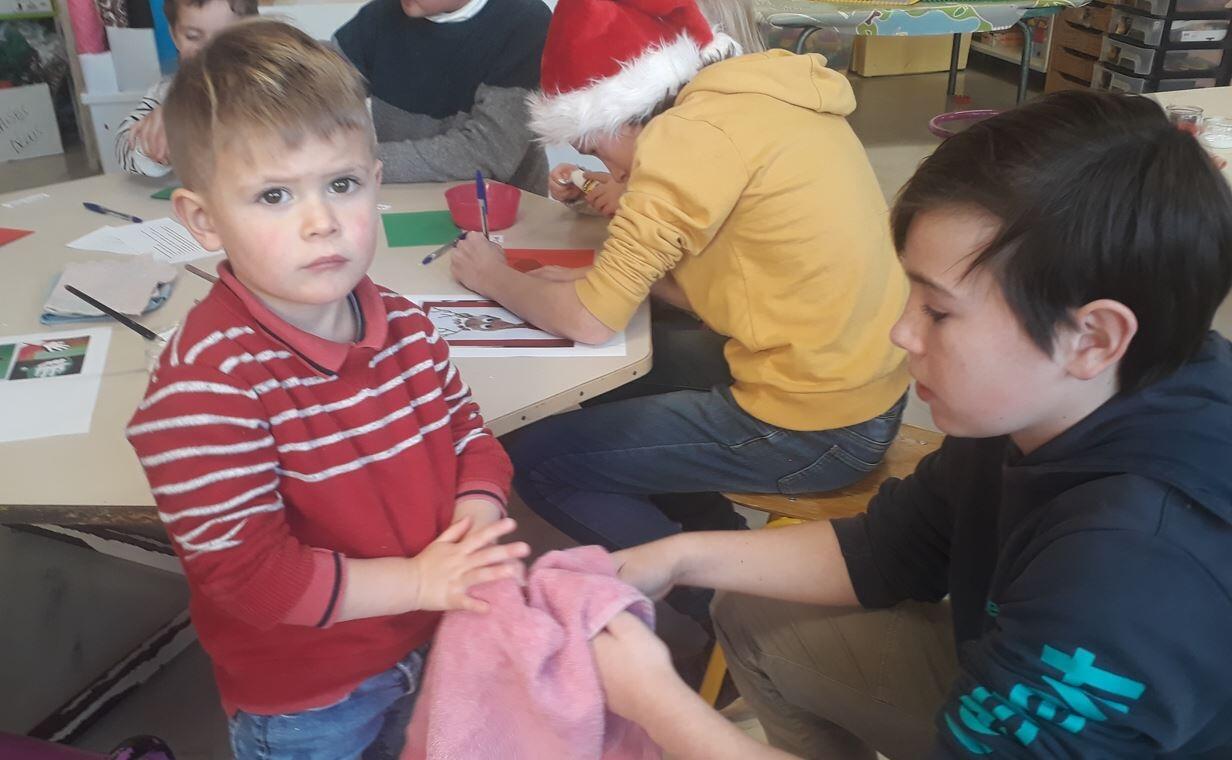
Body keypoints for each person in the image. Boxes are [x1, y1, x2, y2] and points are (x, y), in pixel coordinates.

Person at [593, 91, 1232, 759]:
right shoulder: (1043, 402)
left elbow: (1094, 602)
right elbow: (891, 547)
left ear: (1093, 337)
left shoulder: (1132, 571)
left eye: (940, 310)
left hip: (1091, 683)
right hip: (1021, 651)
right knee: (749, 610)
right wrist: (676, 558)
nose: (902, 332)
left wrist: (653, 704)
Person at [125, 20, 528, 759]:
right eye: (274, 195)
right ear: (203, 219)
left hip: (434, 636)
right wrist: (418, 581)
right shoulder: (205, 385)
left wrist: (474, 512)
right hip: (310, 696)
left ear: (374, 184)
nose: (321, 223)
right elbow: (252, 577)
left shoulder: (407, 325)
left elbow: (468, 433)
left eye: (340, 184)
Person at [451, 0, 909, 622]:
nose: (596, 159)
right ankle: (711, 527)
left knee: (537, 461)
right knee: (618, 382)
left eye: (591, 142)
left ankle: (718, 603)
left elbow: (590, 319)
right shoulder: (751, 98)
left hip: (818, 426)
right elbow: (728, 280)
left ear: (621, 107)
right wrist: (600, 258)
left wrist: (495, 277)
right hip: (856, 382)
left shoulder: (689, 137)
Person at [547, 0, 768, 217]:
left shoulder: (734, 138)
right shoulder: (675, 136)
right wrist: (587, 188)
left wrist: (632, 200)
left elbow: (689, 211)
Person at [333, 0, 551, 192]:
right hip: (405, 197)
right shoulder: (379, 15)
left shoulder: (525, 21)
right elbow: (321, 87)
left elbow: (487, 154)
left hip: (500, 214)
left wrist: (359, 162)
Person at [114, 0, 256, 177]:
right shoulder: (166, 92)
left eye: (226, 37)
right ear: (174, 36)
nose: (209, 50)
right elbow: (122, 148)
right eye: (193, 36)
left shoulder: (268, 86)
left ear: (251, 33)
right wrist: (156, 144)